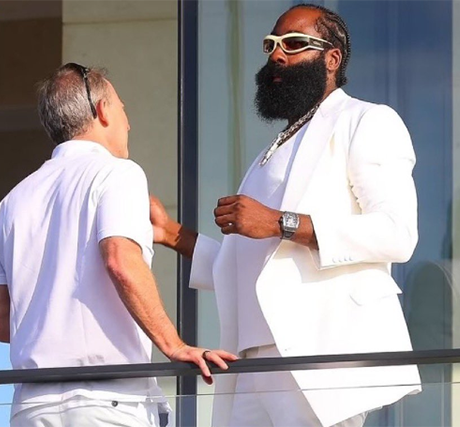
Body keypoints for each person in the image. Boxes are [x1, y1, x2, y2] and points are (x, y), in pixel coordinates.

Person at [151, 4, 421, 427]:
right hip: (252, 359)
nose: (277, 55)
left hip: (318, 357)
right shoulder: (270, 151)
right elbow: (252, 267)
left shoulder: (365, 121)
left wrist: (281, 222)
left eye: (294, 44)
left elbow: (396, 233)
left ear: (332, 58)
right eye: (271, 45)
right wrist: (172, 234)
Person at [0, 63, 236, 427]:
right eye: (123, 110)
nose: (129, 124)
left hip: (31, 407)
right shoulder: (118, 173)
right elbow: (121, 261)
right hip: (108, 402)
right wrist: (174, 345)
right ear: (102, 111)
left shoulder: (8, 204)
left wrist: (52, 327)